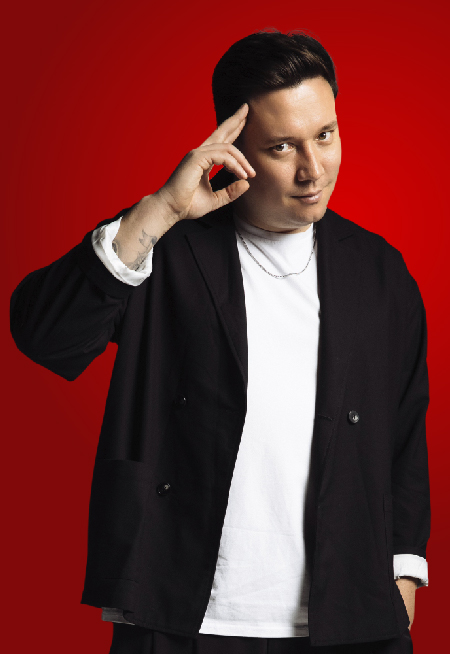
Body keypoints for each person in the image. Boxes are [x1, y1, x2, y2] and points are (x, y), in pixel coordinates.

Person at [10, 29, 430, 653]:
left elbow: (403, 432)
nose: (313, 169)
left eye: (325, 135)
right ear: (233, 148)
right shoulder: (167, 249)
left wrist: (404, 571)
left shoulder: (380, 271)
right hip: (185, 610)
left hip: (348, 613)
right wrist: (162, 209)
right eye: (282, 147)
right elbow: (45, 334)